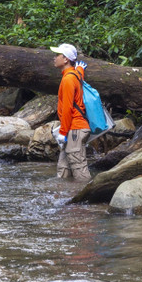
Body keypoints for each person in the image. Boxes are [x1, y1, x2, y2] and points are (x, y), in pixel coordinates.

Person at [51, 43, 91, 181]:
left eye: (57, 55)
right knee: (63, 170)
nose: (54, 58)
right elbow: (79, 73)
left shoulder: (68, 79)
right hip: (73, 129)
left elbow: (67, 109)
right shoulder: (75, 74)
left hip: (75, 129)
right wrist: (80, 68)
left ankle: (87, 200)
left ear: (66, 59)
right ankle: (64, 199)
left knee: (80, 172)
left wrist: (62, 132)